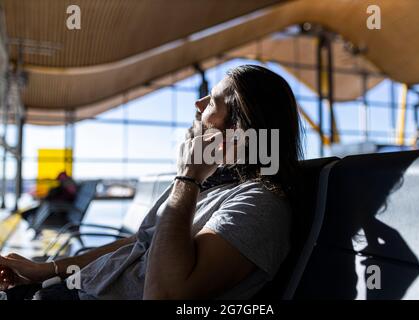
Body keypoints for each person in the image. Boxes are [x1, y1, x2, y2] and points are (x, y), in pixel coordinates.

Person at [0, 65, 303, 300]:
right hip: (68, 289)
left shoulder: (258, 204)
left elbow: (164, 295)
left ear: (237, 129)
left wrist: (188, 176)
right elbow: (140, 243)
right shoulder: (214, 186)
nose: (198, 103)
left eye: (212, 101)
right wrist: (44, 270)